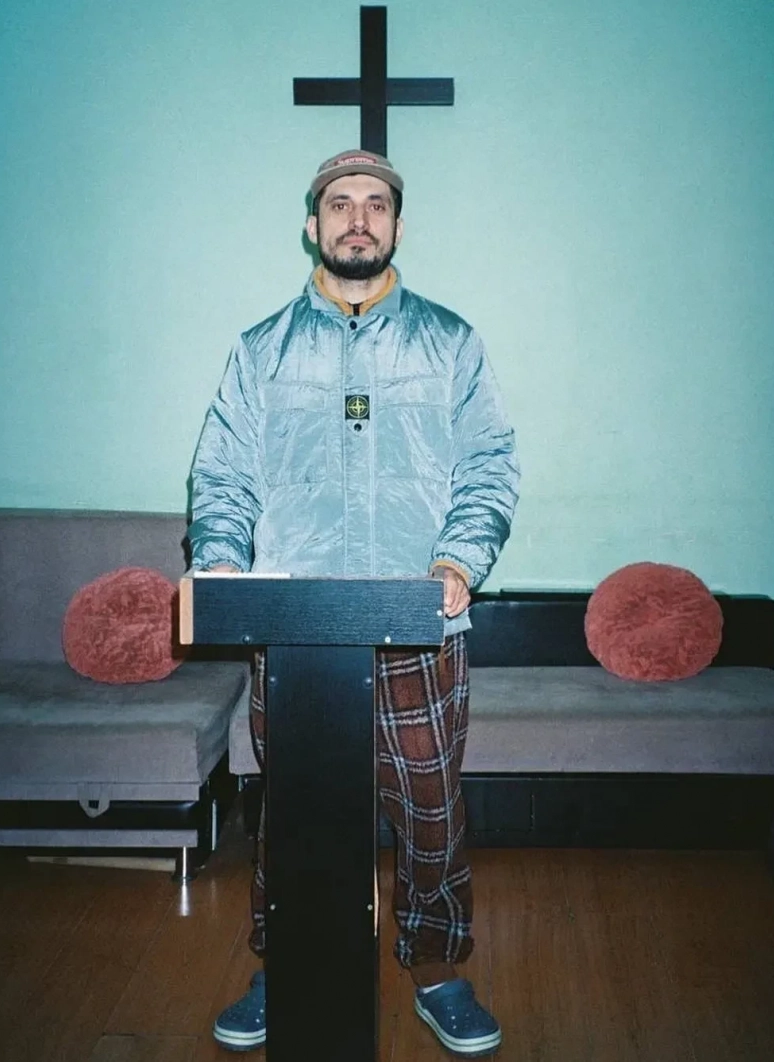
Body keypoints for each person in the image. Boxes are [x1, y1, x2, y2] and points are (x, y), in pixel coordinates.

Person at [188, 148, 520, 1057]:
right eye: (341, 204)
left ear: (398, 225)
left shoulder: (450, 341)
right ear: (314, 225)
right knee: (291, 812)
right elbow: (223, 475)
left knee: (429, 809)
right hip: (297, 632)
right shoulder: (261, 349)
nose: (359, 219)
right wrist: (219, 564)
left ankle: (438, 971)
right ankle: (286, 962)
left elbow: (489, 463)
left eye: (377, 204)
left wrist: (459, 560)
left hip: (419, 619)